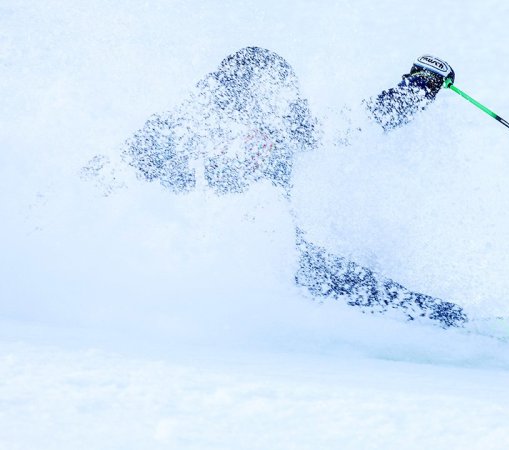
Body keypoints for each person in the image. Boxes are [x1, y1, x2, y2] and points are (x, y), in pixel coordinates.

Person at [122, 47, 466, 328]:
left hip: (281, 257)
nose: (274, 105)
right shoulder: (178, 130)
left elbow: (364, 120)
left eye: (280, 95)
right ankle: (435, 322)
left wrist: (418, 87)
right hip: (204, 263)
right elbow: (118, 174)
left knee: (347, 276)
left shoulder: (288, 129)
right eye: (264, 94)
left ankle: (441, 323)